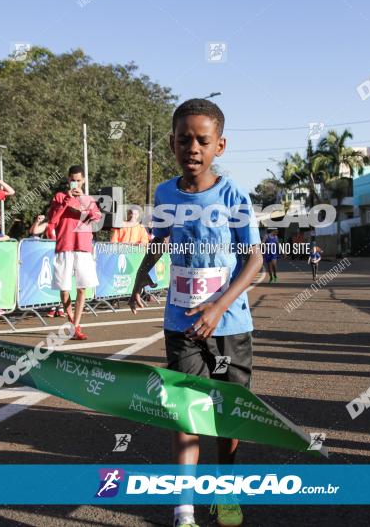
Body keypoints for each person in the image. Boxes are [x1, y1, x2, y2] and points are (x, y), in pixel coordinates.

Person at [129, 98, 262, 527]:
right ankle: (183, 506)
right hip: (181, 322)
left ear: (219, 145)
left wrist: (221, 304)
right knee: (185, 409)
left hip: (231, 323)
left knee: (226, 412)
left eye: (202, 140)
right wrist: (142, 274)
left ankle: (226, 492)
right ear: (172, 144)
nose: (193, 147)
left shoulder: (233, 194)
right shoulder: (165, 193)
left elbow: (254, 259)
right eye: (184, 139)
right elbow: (160, 238)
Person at [43, 165, 101, 340]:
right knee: (64, 288)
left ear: (83, 180)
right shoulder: (60, 196)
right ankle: (70, 318)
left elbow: (97, 217)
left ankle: (76, 325)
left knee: (82, 288)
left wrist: (84, 206)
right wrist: (66, 201)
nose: (75, 183)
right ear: (68, 179)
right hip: (65, 245)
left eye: (78, 180)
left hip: (83, 246)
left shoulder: (88, 198)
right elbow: (53, 220)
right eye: (72, 180)